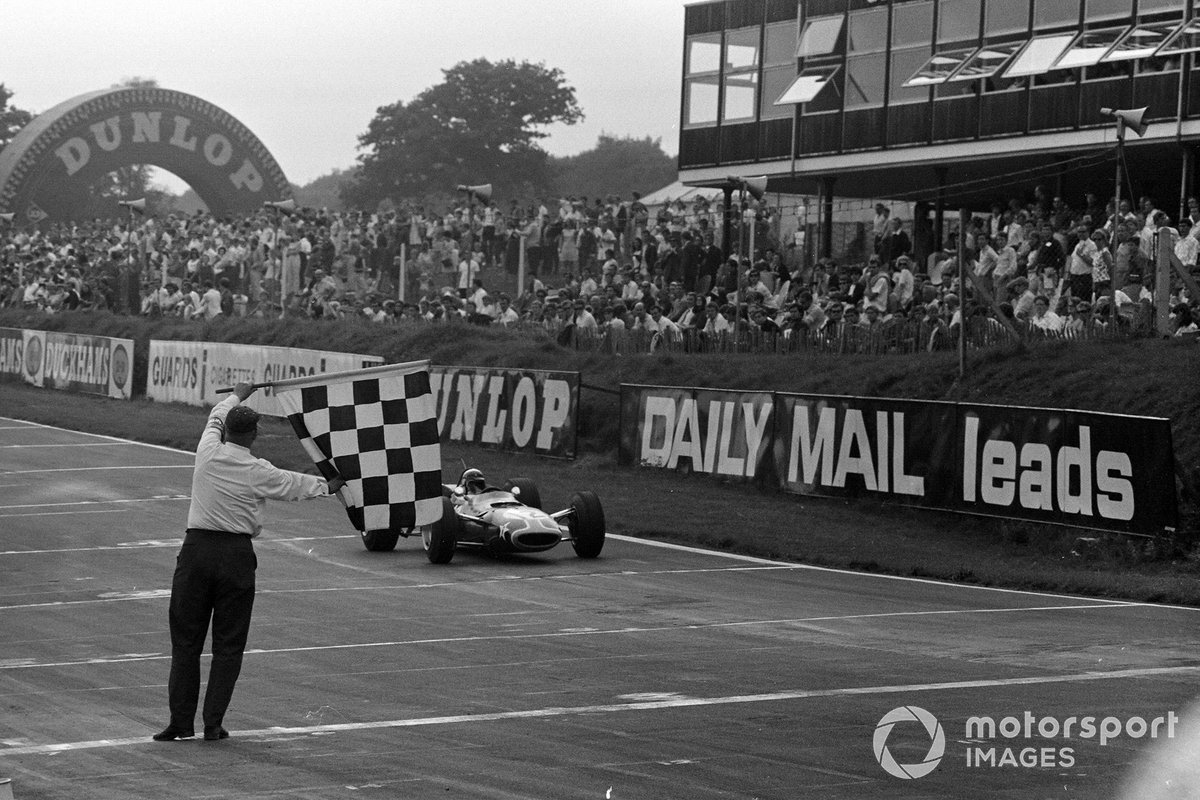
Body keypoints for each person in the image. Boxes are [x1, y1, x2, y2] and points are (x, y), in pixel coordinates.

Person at [153, 383, 346, 743]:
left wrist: (238, 394)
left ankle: (180, 722)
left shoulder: (207, 450)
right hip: (236, 556)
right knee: (228, 645)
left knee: (186, 642)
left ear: (225, 430)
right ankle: (213, 724)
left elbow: (215, 414)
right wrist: (327, 485)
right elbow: (293, 485)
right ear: (255, 434)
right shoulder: (259, 470)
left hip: (196, 551)